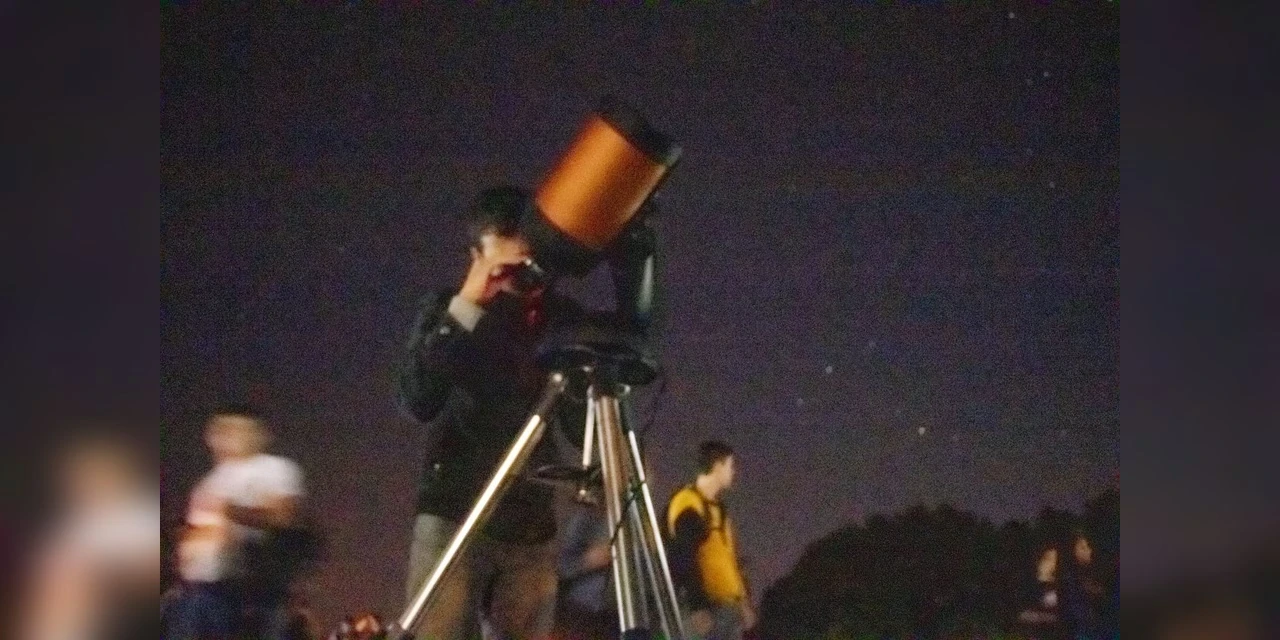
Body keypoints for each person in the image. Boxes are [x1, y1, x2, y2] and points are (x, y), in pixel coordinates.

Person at [397, 185, 591, 640]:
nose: (519, 280)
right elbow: (417, 399)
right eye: (505, 269)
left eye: (529, 265)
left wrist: (586, 370)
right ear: (475, 256)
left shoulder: (562, 320)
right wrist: (467, 305)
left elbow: (581, 433)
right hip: (454, 513)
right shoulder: (450, 310)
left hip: (530, 523)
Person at [168, 404, 308, 640]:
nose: (227, 437)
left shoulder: (275, 469)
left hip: (249, 589)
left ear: (259, 434)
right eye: (221, 430)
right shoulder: (208, 482)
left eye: (238, 429)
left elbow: (282, 517)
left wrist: (228, 510)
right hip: (199, 590)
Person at [18, 431, 160, 640]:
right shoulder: (78, 520)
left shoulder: (137, 516)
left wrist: (95, 575)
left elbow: (147, 573)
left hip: (113, 614)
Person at [665, 441, 756, 640]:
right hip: (708, 611)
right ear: (717, 466)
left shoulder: (720, 511)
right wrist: (697, 606)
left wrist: (743, 603)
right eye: (730, 465)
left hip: (728, 611)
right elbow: (683, 556)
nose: (734, 472)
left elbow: (730, 561)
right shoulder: (687, 503)